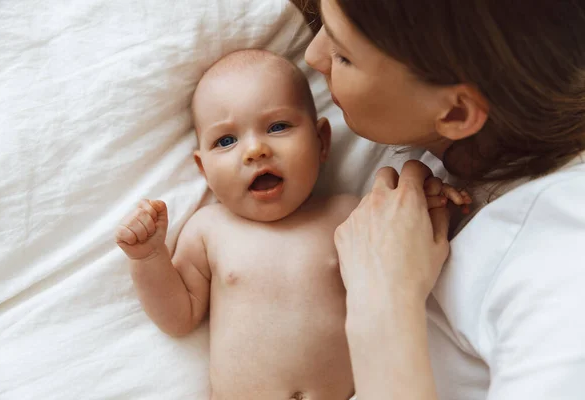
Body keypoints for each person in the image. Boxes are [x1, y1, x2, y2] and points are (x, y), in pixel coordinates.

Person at [114, 49, 469, 400]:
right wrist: (147, 258)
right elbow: (179, 316)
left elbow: (401, 248)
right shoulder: (208, 230)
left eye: (277, 126)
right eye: (226, 140)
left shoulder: (349, 215)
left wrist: (430, 200)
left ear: (321, 141)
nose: (255, 150)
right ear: (204, 168)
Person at [304, 0, 585, 399]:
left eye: (343, 57)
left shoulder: (564, 265)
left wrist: (383, 294)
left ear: (456, 113)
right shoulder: (454, 150)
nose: (311, 56)